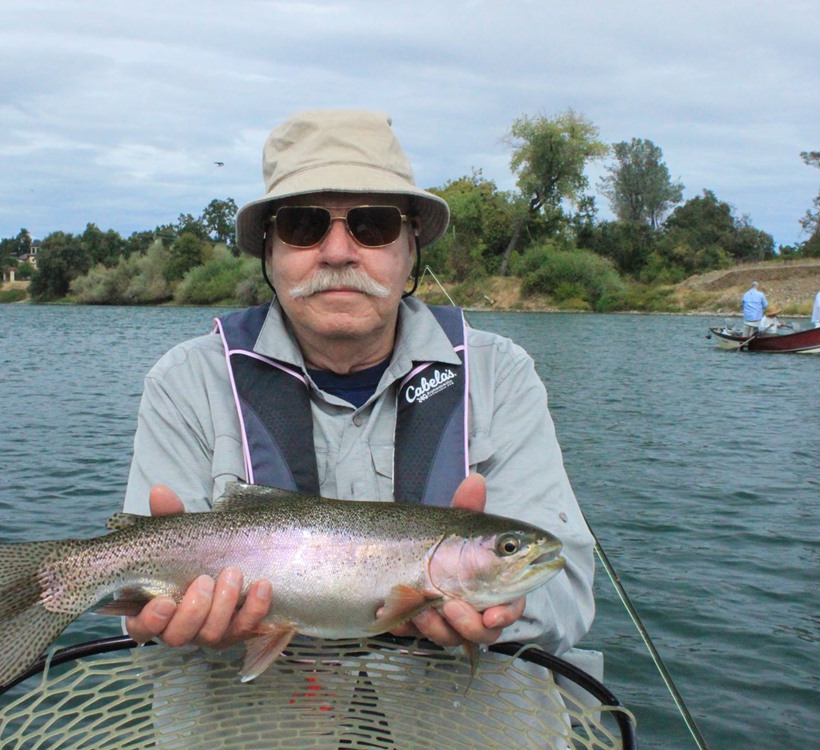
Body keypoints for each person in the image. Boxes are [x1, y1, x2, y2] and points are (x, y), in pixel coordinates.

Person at [121, 110, 594, 666]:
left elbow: (567, 601)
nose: (339, 251)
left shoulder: (502, 374)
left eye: (372, 226)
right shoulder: (185, 382)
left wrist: (500, 615)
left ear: (411, 248)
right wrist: (172, 618)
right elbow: (145, 621)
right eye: (303, 225)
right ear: (269, 253)